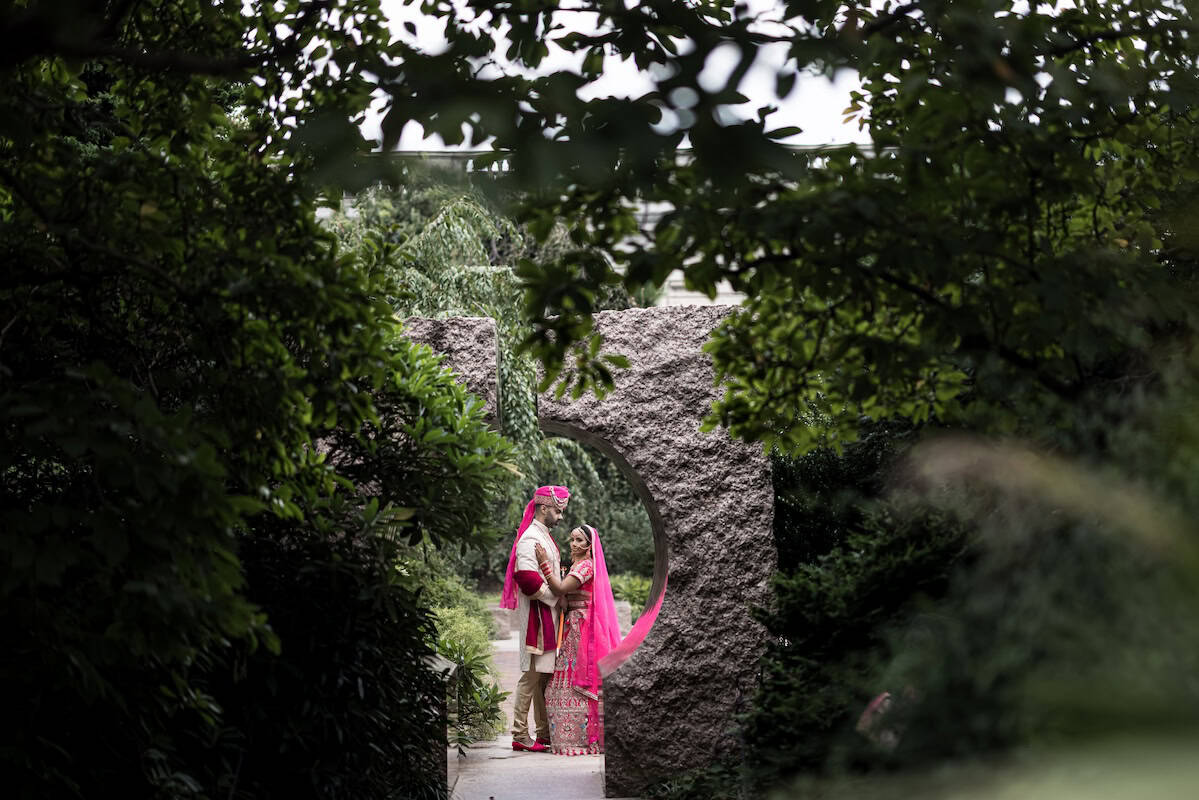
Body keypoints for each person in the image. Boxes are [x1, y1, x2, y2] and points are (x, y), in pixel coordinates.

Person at [533, 524, 621, 755]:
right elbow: (564, 598)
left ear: (589, 546)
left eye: (580, 540)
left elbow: (561, 588)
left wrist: (544, 564)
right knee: (559, 685)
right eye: (572, 539)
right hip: (573, 625)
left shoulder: (586, 566)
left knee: (577, 682)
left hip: (583, 630)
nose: (574, 544)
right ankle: (569, 739)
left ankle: (583, 741)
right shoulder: (575, 565)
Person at [501, 485, 570, 753]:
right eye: (557, 511)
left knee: (542, 677)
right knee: (530, 676)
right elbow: (528, 580)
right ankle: (520, 733)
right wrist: (556, 598)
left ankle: (543, 732)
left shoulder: (543, 535)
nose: (561, 517)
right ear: (543, 508)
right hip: (536, 618)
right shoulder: (530, 538)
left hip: (546, 618)